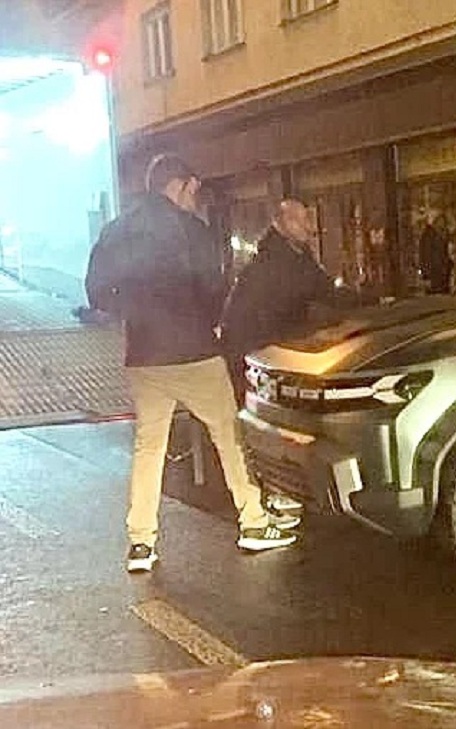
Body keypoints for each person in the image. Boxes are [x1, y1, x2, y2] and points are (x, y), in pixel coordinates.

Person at [85, 153, 298, 573]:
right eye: (192, 190)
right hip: (194, 351)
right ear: (179, 185)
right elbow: (215, 287)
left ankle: (141, 543)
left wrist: (133, 313)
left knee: (149, 447)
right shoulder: (191, 229)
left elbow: (96, 290)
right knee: (228, 434)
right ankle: (254, 522)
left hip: (144, 355)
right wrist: (205, 322)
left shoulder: (117, 229)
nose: (194, 199)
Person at [220, 198, 354, 401]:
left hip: (264, 347)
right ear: (283, 222)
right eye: (302, 220)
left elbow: (324, 290)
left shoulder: (296, 255)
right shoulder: (276, 261)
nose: (309, 227)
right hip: (252, 350)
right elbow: (319, 293)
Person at [417, 213, 452, 294]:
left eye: (443, 222)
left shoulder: (444, 234)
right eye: (440, 221)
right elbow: (424, 255)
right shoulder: (428, 235)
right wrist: (425, 274)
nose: (442, 224)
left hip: (443, 272)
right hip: (433, 271)